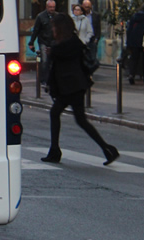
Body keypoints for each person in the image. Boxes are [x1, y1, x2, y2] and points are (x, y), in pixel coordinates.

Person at [42, 13, 119, 165]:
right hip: (78, 85)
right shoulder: (75, 42)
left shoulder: (59, 47)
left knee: (57, 114)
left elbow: (54, 70)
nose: (53, 30)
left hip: (67, 87)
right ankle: (107, 149)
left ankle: (55, 151)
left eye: (54, 27)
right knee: (80, 120)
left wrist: (49, 85)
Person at [29, 0, 57, 90]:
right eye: (50, 7)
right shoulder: (41, 17)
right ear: (46, 7)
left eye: (53, 7)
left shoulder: (57, 16)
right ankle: (43, 79)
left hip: (54, 42)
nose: (52, 9)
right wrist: (31, 42)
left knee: (53, 61)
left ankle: (52, 79)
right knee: (44, 60)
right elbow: (36, 30)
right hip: (44, 41)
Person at [125, 1, 144, 85]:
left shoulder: (134, 16)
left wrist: (128, 42)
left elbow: (129, 29)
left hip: (133, 41)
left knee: (134, 59)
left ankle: (131, 75)